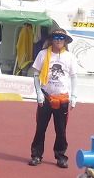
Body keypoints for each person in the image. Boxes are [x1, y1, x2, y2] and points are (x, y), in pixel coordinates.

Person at [28, 27, 78, 168]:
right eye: (56, 38)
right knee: (41, 128)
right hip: (46, 96)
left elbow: (74, 77)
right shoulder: (43, 54)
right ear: (51, 40)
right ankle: (36, 155)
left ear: (65, 41)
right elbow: (36, 74)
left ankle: (60, 156)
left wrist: (74, 96)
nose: (58, 40)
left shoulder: (70, 57)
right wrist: (38, 92)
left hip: (62, 98)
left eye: (61, 38)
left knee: (61, 130)